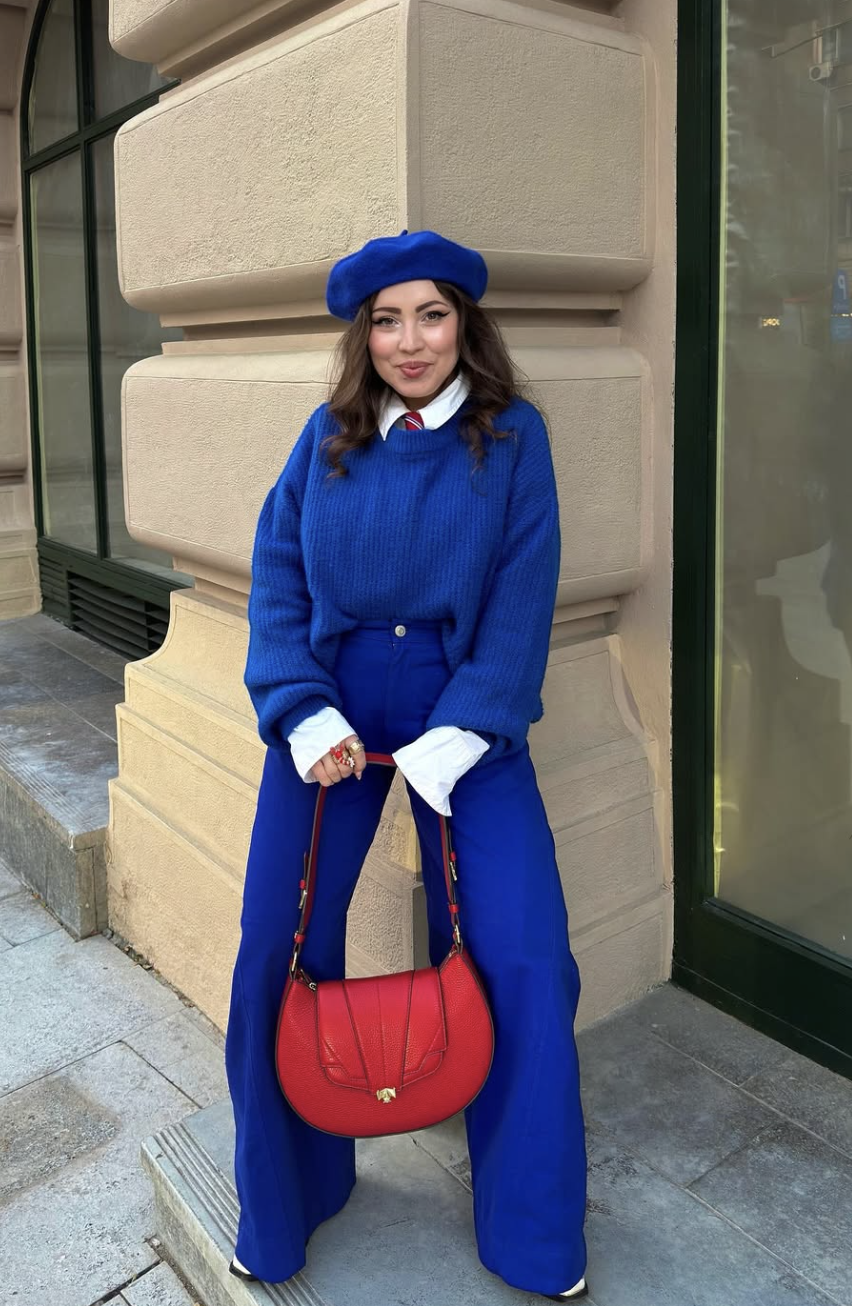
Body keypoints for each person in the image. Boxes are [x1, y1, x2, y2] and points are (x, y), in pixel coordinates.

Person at [224, 230, 589, 1301]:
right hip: (330, 711)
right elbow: (277, 579)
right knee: (273, 946)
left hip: (465, 713)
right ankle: (286, 1201)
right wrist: (296, 710)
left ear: (465, 322)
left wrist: (458, 734)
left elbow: (526, 596)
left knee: (525, 954)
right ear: (363, 336)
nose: (409, 340)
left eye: (430, 315)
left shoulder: (513, 439)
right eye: (385, 320)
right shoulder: (326, 440)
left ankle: (531, 1232)